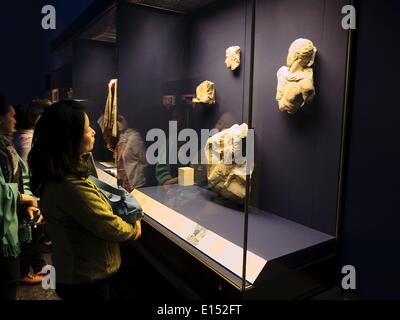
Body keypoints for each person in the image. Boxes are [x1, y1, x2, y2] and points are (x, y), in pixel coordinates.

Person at [28, 100, 142, 300]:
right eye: (88, 129)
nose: (94, 132)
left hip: (75, 274)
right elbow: (108, 225)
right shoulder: (69, 185)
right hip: (86, 279)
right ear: (70, 138)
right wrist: (134, 229)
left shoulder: (59, 172)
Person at [0, 93, 41, 300]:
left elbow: (18, 177)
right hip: (4, 229)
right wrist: (27, 199)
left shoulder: (7, 146)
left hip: (12, 221)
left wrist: (25, 203)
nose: (14, 120)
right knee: (7, 282)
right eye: (11, 116)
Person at [13, 100, 50, 285]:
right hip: (30, 193)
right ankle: (24, 273)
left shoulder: (21, 136)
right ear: (38, 118)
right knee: (32, 233)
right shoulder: (29, 140)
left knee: (35, 231)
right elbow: (30, 171)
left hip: (28, 192)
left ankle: (38, 266)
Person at [115, 115, 147, 192]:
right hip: (123, 181)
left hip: (134, 183)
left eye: (120, 120)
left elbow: (144, 161)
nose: (118, 123)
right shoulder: (122, 137)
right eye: (117, 120)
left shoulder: (135, 138)